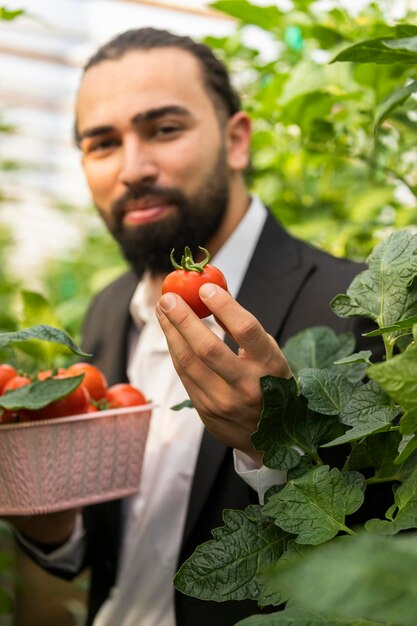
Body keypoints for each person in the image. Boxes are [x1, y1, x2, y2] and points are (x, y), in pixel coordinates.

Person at [10, 27, 379, 626]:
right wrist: (50, 526)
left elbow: (385, 568)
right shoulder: (107, 313)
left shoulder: (357, 309)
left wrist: (275, 447)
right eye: (102, 143)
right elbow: (113, 552)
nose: (133, 168)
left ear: (237, 141)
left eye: (164, 129)